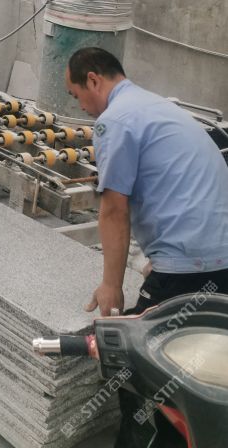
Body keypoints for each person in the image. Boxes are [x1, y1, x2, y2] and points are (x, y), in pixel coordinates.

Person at [65, 47, 228, 447]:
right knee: (202, 361)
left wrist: (111, 285)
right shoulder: (157, 107)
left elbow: (114, 209)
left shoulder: (115, 121)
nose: (80, 106)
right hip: (217, 259)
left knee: (138, 363)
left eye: (76, 95)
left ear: (92, 80)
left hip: (190, 267)